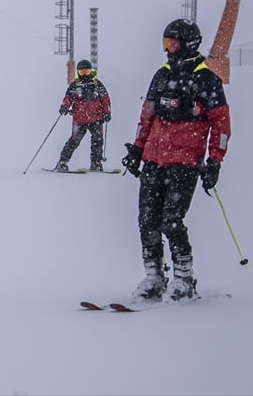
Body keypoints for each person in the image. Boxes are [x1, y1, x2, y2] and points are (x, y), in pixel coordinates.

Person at [121, 19, 230, 302]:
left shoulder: (207, 80)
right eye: (166, 44)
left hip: (184, 162)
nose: (169, 50)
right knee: (147, 220)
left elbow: (221, 126)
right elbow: (147, 117)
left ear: (189, 45)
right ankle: (154, 276)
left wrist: (214, 161)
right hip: (154, 160)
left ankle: (183, 278)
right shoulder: (161, 76)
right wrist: (136, 150)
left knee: (172, 221)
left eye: (174, 44)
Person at [53, 60, 112, 172]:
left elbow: (105, 99)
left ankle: (96, 163)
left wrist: (107, 112)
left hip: (96, 118)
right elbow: (68, 98)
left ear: (91, 71)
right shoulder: (75, 85)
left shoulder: (97, 84)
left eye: (87, 71)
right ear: (78, 72)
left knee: (98, 141)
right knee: (74, 140)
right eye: (82, 72)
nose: (84, 74)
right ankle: (62, 162)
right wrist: (64, 107)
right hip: (80, 119)